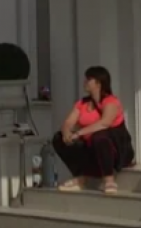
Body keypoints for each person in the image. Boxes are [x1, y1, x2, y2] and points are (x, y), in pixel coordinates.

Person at [53, 66, 135, 194]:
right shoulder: (82, 103)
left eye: (89, 79)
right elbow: (68, 122)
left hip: (116, 148)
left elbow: (105, 123)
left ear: (98, 83)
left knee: (99, 137)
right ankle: (81, 176)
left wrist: (79, 133)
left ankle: (109, 180)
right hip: (91, 148)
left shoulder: (111, 101)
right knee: (59, 138)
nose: (85, 82)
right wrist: (66, 133)